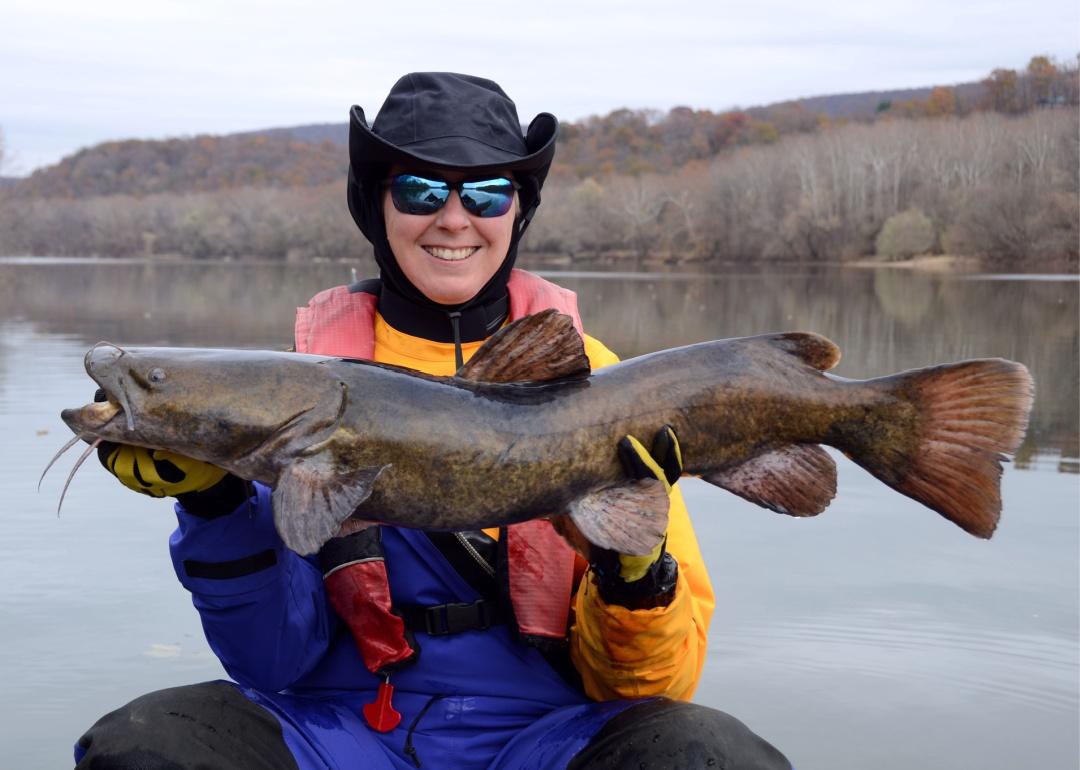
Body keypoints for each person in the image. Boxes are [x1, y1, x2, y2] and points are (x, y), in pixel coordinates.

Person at [74, 72, 791, 770]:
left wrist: (636, 570)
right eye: (420, 189)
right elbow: (269, 662)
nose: (454, 217)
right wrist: (215, 503)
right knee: (146, 743)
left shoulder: (609, 385)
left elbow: (650, 696)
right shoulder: (297, 382)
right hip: (343, 731)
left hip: (547, 734)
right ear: (376, 205)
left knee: (710, 754)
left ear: (518, 210)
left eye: (486, 191)